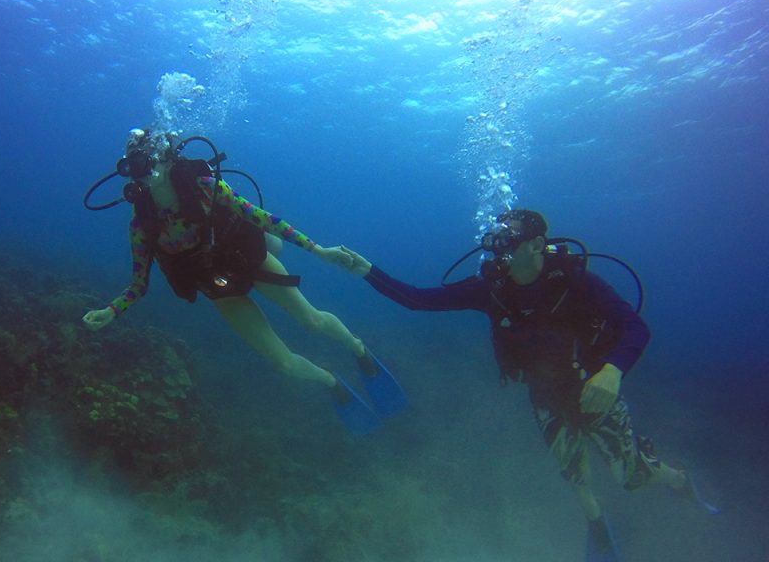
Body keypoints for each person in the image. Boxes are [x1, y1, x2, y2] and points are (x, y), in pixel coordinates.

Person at [337, 209, 719, 561]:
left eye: (510, 237)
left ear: (537, 244)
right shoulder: (492, 288)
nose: (500, 244)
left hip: (593, 387)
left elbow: (636, 327)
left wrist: (612, 371)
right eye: (498, 235)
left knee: (631, 478)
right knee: (573, 472)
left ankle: (675, 477)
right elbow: (417, 300)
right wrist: (367, 270)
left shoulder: (576, 281)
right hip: (545, 394)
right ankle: (598, 525)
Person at [82, 128, 406, 433]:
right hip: (218, 288)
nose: (139, 169)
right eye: (132, 163)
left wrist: (318, 250)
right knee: (283, 363)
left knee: (312, 321)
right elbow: (138, 283)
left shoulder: (205, 186)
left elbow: (261, 217)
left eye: (145, 159)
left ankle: (358, 349)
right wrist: (110, 312)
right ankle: (331, 383)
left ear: (167, 159)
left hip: (250, 261)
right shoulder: (142, 225)